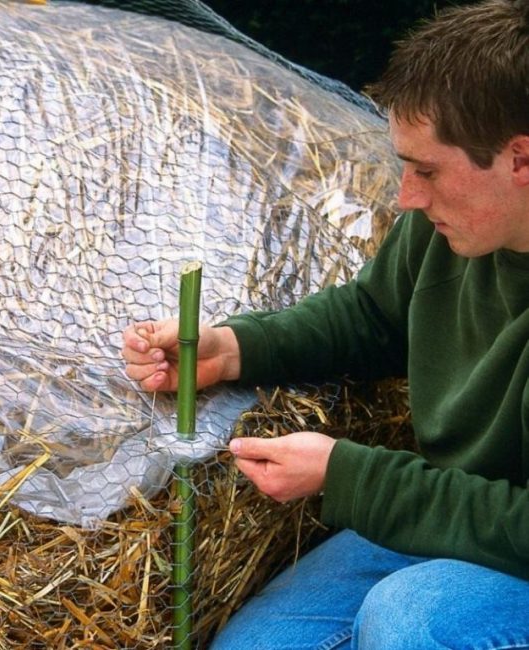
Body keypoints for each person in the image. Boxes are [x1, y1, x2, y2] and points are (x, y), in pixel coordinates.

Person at [121, 1, 529, 647]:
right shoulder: (451, 231)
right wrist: (233, 349)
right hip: (457, 512)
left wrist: (350, 477)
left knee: (414, 619)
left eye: (426, 171)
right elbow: (372, 315)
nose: (406, 198)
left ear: (520, 160)